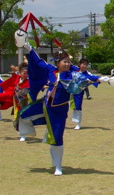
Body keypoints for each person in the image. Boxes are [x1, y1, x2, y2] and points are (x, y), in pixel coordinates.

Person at [16, 38, 93, 175]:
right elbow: (39, 62)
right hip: (45, 105)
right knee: (23, 114)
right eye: (65, 61)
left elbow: (85, 77)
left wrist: (103, 79)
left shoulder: (72, 74)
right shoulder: (51, 70)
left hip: (59, 111)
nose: (67, 64)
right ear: (58, 63)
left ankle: (58, 166)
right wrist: (29, 49)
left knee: (57, 138)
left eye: (69, 61)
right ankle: (30, 132)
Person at [70, 58, 101, 130]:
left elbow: (94, 77)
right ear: (79, 64)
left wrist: (102, 78)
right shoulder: (75, 69)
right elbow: (67, 63)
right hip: (68, 91)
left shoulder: (87, 74)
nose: (84, 66)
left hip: (78, 92)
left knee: (78, 107)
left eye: (86, 64)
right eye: (83, 64)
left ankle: (78, 123)